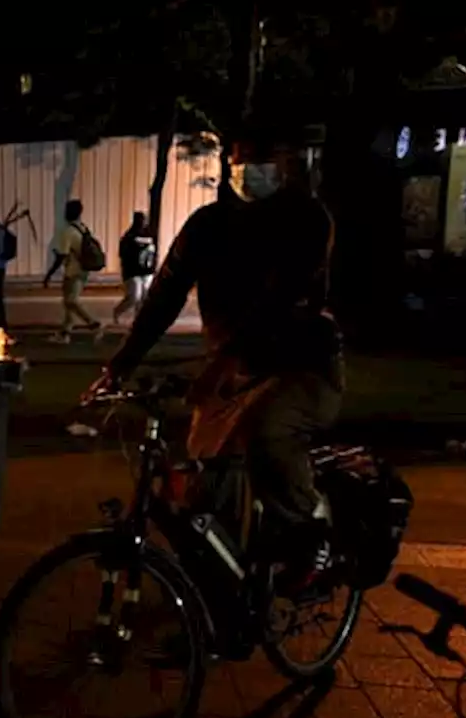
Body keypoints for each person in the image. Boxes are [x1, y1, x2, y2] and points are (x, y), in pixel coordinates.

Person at [89, 124, 342, 594]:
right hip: (232, 376)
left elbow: (283, 297)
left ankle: (314, 539)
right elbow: (163, 297)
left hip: (301, 368)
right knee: (205, 495)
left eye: (264, 158)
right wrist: (121, 363)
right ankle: (213, 613)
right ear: (228, 163)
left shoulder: (307, 219)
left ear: (284, 163)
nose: (252, 169)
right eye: (242, 158)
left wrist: (223, 363)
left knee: (268, 434)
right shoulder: (207, 226)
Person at [43, 200, 103, 344]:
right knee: (68, 303)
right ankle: (65, 334)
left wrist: (49, 275)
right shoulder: (83, 228)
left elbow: (62, 255)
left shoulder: (68, 231)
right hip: (83, 270)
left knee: (71, 301)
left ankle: (94, 324)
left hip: (73, 271)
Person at [114, 211, 157, 327]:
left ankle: (138, 321)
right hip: (133, 272)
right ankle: (118, 311)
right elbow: (123, 254)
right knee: (134, 296)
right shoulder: (129, 237)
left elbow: (152, 253)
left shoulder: (149, 235)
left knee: (144, 298)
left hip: (146, 272)